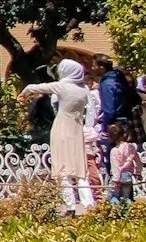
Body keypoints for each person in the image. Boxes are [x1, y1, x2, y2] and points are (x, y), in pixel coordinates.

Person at [20, 60, 96, 215]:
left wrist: (24, 94)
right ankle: (89, 205)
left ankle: (70, 206)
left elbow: (35, 87)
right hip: (77, 128)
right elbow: (92, 110)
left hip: (62, 127)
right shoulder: (84, 89)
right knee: (80, 169)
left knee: (62, 168)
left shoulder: (62, 86)